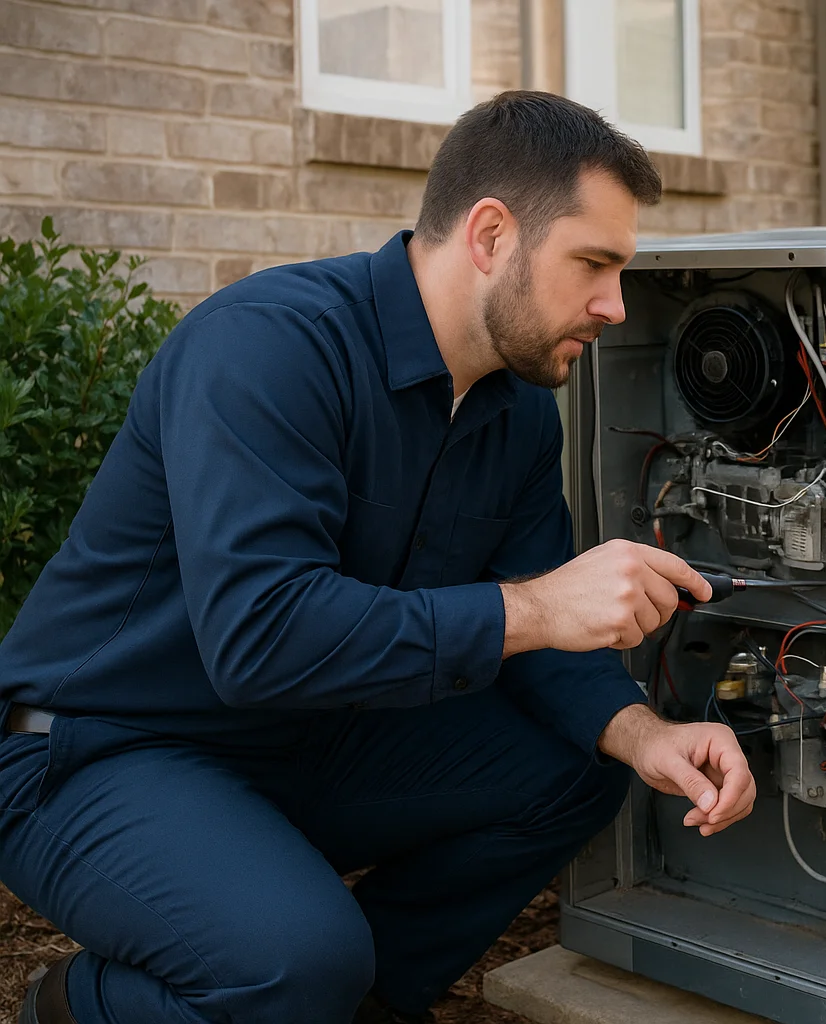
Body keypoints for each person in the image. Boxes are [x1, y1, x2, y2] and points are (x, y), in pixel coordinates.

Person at [0, 91, 757, 1024]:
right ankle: (78, 1005)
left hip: (306, 736)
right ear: (490, 236)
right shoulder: (268, 347)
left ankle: (362, 1004)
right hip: (102, 748)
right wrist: (534, 609)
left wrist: (649, 734)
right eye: (594, 264)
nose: (613, 304)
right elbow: (261, 638)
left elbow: (544, 648)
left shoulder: (515, 412)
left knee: (582, 762)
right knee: (296, 958)